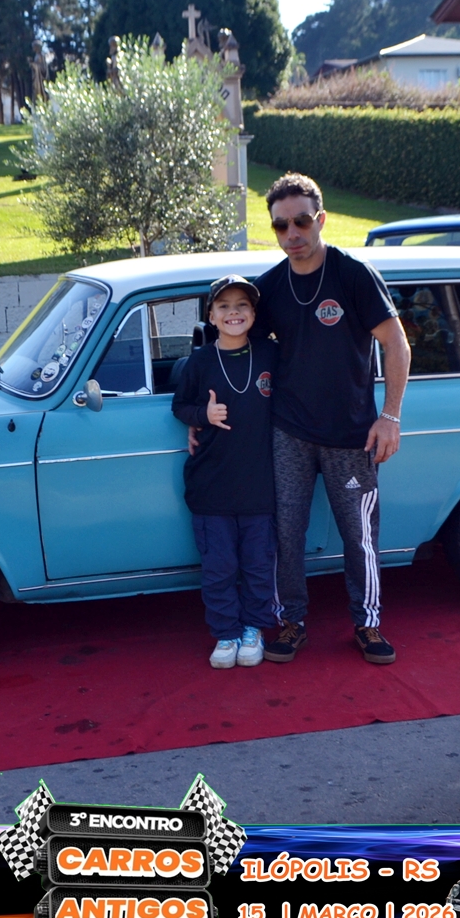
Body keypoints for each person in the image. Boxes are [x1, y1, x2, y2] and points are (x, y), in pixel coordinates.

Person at [252, 173, 411, 665]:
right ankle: (291, 621)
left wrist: (390, 416)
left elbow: (396, 344)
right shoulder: (268, 288)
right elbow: (237, 349)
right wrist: (199, 409)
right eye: (281, 226)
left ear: (320, 219)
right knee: (286, 532)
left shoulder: (353, 274)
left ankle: (367, 623)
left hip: (352, 434)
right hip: (289, 431)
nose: (292, 234)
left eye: (301, 221)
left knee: (359, 537)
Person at [171, 275, 281, 669]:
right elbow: (180, 406)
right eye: (224, 306)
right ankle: (226, 632)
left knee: (258, 566)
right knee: (218, 567)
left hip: (260, 485)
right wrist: (203, 415)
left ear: (254, 314)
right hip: (212, 485)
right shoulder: (199, 361)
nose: (233, 313)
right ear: (211, 316)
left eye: (242, 305)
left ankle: (253, 628)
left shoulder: (270, 355)